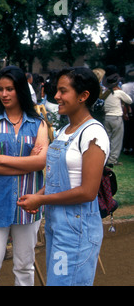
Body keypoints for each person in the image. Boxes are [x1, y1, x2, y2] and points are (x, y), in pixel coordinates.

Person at [17, 66, 110, 286]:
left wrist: (42, 199)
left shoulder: (93, 134)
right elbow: (55, 178)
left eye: (63, 91)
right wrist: (38, 196)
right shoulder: (64, 131)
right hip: (58, 228)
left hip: (77, 232)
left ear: (83, 96)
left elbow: (88, 192)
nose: (56, 96)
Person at [0, 65, 48, 286]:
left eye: (10, 89)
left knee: (25, 266)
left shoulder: (39, 124)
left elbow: (42, 161)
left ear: (21, 90)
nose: (4, 94)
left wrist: (0, 159)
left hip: (29, 204)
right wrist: (28, 164)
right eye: (0, 89)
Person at [102, 72, 132, 166]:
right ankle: (113, 160)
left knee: (108, 138)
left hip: (107, 117)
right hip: (116, 117)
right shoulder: (119, 92)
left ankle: (105, 158)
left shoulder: (106, 93)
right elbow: (129, 100)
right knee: (116, 139)